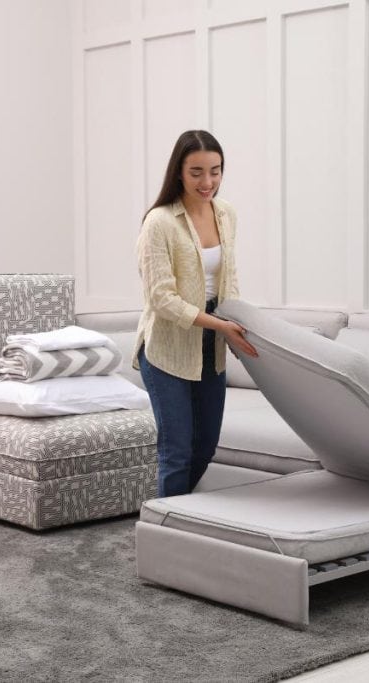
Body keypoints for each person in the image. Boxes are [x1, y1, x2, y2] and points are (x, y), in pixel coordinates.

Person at [133, 130, 258, 498]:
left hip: (211, 344)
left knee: (205, 447)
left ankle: (174, 522)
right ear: (179, 173)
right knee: (177, 452)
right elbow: (161, 298)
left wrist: (236, 327)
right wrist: (219, 324)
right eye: (197, 172)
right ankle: (168, 535)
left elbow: (229, 278)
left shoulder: (226, 214)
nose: (208, 182)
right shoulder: (160, 222)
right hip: (167, 347)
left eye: (215, 171)